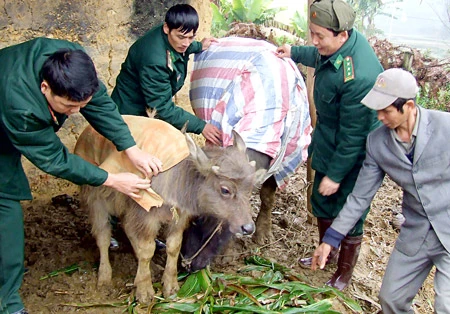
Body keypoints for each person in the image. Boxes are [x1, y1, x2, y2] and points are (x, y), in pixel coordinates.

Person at [0, 37, 163, 314]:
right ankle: (8, 302)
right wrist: (111, 179)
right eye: (68, 107)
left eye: (81, 104)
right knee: (6, 208)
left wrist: (131, 148)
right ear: (45, 87)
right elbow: (55, 159)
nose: (76, 113)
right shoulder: (21, 104)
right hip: (6, 121)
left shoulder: (73, 63)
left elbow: (99, 106)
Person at [311, 68, 450, 313]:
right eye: (377, 109)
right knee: (390, 299)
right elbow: (360, 196)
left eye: (386, 110)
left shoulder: (445, 127)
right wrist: (330, 239)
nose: (380, 117)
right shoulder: (377, 142)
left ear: (408, 106)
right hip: (416, 233)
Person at [276, 0, 383, 290]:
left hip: (355, 151)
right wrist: (294, 52)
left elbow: (353, 138)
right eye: (312, 33)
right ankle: (327, 252)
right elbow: (321, 55)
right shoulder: (336, 46)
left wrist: (336, 175)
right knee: (322, 202)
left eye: (319, 36)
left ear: (342, 35)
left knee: (349, 207)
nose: (314, 40)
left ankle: (344, 272)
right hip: (328, 137)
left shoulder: (358, 76)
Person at [111, 3, 222, 145]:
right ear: (166, 28)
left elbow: (183, 45)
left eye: (191, 37)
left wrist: (199, 46)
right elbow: (162, 108)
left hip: (147, 109)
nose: (186, 43)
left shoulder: (174, 39)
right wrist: (201, 126)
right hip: (130, 114)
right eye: (181, 37)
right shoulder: (154, 60)